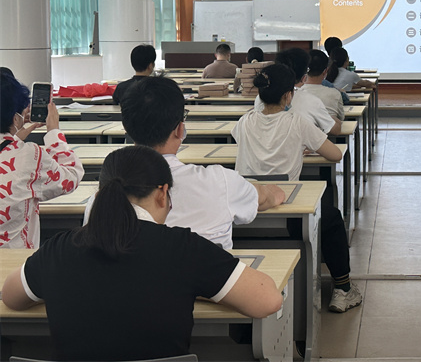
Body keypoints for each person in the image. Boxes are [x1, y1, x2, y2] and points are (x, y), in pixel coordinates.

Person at [2, 146, 283, 360]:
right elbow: (268, 300)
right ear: (162, 193)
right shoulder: (184, 249)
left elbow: (11, 296)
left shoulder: (59, 248)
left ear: (100, 195)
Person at [232, 63, 362, 313]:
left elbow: (242, 140)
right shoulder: (296, 122)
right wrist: (306, 146)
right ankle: (343, 289)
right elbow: (335, 155)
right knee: (332, 218)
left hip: (244, 212)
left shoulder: (244, 121)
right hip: (287, 216)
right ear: (288, 96)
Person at [99, 76, 286, 249]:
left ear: (127, 128)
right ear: (180, 129)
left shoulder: (103, 200)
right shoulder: (221, 182)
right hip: (210, 275)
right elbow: (271, 197)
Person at [0, 73, 84, 248]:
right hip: (14, 261)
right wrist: (53, 132)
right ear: (15, 118)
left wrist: (14, 139)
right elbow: (71, 176)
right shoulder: (29, 156)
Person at [261, 48, 342, 135]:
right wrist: (332, 118)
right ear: (304, 77)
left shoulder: (262, 97)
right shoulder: (310, 101)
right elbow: (334, 130)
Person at [302, 49, 346, 122]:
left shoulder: (296, 94)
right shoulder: (335, 93)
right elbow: (341, 118)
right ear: (325, 71)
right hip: (330, 129)